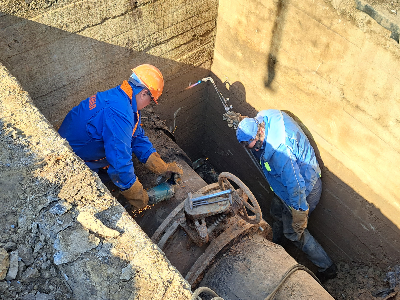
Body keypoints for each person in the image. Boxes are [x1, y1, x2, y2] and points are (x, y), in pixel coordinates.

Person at [58, 64, 183, 210]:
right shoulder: (120, 113)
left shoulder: (123, 99)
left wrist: (163, 168)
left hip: (83, 146)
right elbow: (119, 163)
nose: (149, 104)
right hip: (72, 161)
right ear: (144, 93)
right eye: (151, 100)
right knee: (107, 190)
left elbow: (136, 136)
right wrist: (138, 197)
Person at [236, 109, 337, 282]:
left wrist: (299, 213)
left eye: (249, 143)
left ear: (259, 132)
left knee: (294, 232)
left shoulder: (280, 153)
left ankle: (327, 268)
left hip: (305, 190)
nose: (248, 148)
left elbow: (296, 185)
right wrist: (243, 126)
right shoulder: (264, 117)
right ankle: (277, 242)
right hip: (285, 184)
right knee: (276, 210)